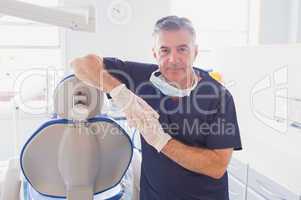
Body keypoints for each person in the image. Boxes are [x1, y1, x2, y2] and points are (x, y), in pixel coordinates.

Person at [71, 15, 242, 200]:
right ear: (155, 53)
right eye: (165, 50)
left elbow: (216, 167)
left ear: (195, 52)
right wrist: (121, 92)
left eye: (182, 49)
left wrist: (161, 141)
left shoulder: (218, 97)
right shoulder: (142, 77)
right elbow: (81, 64)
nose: (173, 59)